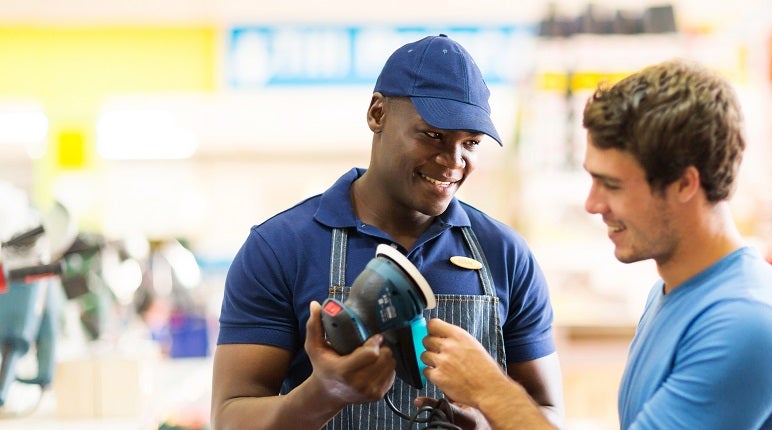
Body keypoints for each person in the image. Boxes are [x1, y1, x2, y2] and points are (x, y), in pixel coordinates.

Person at [421, 58, 772, 430]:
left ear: (685, 184)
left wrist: (492, 390)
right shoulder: (672, 294)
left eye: (611, 185)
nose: (592, 204)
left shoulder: (747, 323)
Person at [210, 34, 564, 430]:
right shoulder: (280, 248)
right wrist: (323, 394)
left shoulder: (505, 254)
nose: (452, 161)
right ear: (377, 113)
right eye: (433, 135)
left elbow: (548, 415)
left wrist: (483, 421)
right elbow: (230, 417)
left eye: (471, 143)